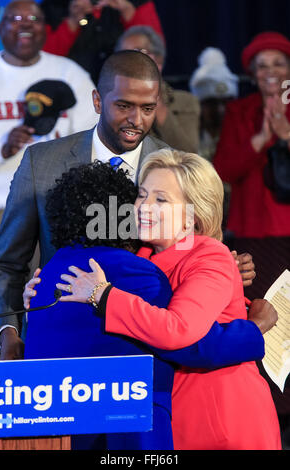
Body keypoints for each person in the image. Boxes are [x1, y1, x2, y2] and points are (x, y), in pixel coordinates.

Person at [0, 49, 260, 365]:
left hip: (147, 352)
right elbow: (7, 265)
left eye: (148, 108)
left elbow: (194, 251)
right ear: (97, 101)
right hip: (61, 344)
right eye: (124, 106)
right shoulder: (42, 162)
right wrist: (7, 334)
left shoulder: (173, 165)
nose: (136, 120)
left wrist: (224, 265)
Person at [22, 160, 266, 450]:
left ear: (190, 217)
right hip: (171, 421)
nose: (143, 206)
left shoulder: (206, 255)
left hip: (220, 421)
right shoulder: (141, 257)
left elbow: (181, 333)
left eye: (160, 199)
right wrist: (33, 301)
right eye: (141, 194)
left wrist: (255, 328)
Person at [213, 30, 290, 451]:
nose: (271, 72)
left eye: (278, 64)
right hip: (256, 234)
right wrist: (262, 138)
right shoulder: (240, 111)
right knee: (268, 324)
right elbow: (221, 168)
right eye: (262, 66)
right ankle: (272, 411)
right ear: (252, 74)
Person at [0, 0, 98, 255]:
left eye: (34, 19)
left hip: (55, 204)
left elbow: (92, 136)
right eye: (16, 19)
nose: (25, 24)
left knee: (49, 289)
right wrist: (1, 149)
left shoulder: (69, 73)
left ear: (45, 29)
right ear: (0, 28)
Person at [115, 25, 200, 152]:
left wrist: (153, 98)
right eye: (124, 55)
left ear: (158, 60)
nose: (131, 61)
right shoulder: (112, 102)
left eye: (139, 52)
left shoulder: (185, 102)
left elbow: (188, 154)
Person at [41, 0, 164, 84]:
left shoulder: (137, 3)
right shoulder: (54, 6)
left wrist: (128, 12)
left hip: (125, 88)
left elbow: (155, 54)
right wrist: (73, 21)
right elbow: (44, 60)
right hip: (72, 90)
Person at [190, 47, 238, 232]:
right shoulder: (189, 137)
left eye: (226, 102)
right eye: (211, 103)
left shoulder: (241, 135)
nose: (220, 110)